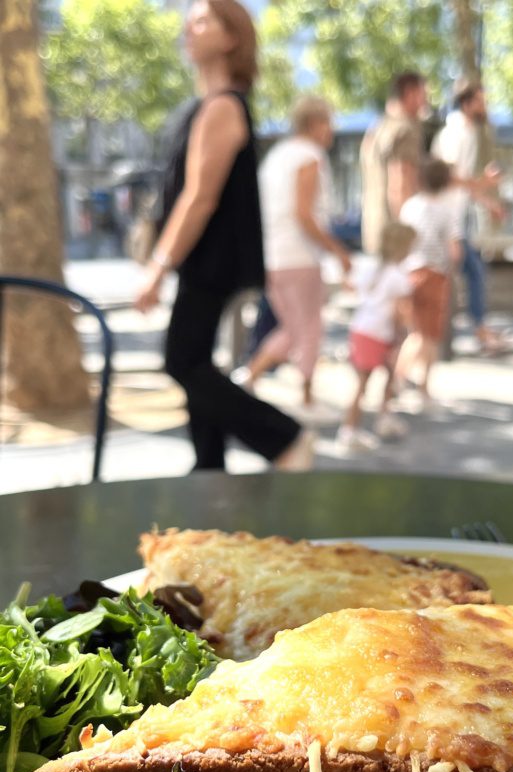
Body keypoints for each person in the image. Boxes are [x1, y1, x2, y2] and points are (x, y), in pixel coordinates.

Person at [134, 0, 311, 471]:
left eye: (203, 18)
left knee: (182, 361)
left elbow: (200, 198)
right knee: (197, 362)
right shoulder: (206, 106)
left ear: (232, 37)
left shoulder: (222, 107)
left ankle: (283, 439)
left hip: (211, 262)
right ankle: (209, 468)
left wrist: (157, 268)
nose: (189, 26)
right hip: (207, 262)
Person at [244, 96, 351, 408]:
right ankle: (305, 397)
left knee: (292, 329)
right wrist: (338, 251)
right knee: (308, 328)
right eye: (329, 123)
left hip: (273, 256)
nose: (331, 131)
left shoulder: (277, 156)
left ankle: (249, 377)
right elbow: (304, 215)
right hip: (299, 256)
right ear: (316, 124)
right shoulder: (309, 156)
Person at [431, 79, 506, 352]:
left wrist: (487, 202)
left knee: (466, 273)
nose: (485, 106)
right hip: (444, 219)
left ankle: (453, 338)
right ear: (467, 103)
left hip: (454, 218)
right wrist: (484, 183)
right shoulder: (455, 134)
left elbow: (463, 185)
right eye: (481, 100)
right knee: (469, 272)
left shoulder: (467, 132)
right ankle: (463, 335)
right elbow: (449, 178)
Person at [337, 222, 416, 451]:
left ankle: (383, 417)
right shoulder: (398, 277)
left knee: (384, 377)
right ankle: (350, 430)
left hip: (362, 328)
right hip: (380, 333)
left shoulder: (370, 267)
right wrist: (403, 333)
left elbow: (349, 285)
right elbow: (401, 312)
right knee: (367, 382)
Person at [397, 158, 462, 400]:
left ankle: (400, 379)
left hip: (408, 272)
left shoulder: (409, 206)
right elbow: (455, 249)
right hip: (434, 274)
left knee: (415, 329)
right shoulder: (446, 211)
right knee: (429, 335)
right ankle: (414, 382)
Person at [360, 71, 427, 256]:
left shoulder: (376, 129)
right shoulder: (406, 129)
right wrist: (407, 232)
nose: (425, 102)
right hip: (396, 234)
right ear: (410, 93)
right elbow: (400, 184)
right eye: (423, 94)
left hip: (373, 229)